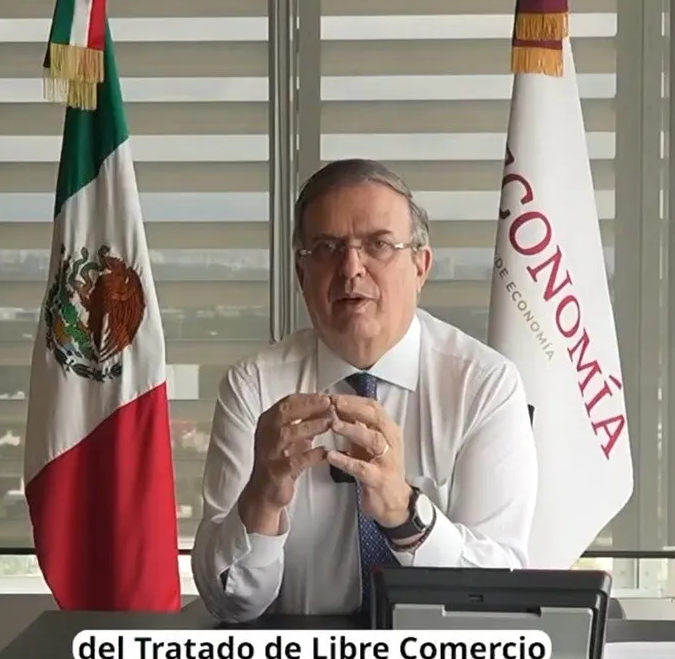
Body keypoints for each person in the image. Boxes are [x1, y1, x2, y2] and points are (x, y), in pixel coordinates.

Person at [190, 158, 538, 622]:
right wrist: (261, 502)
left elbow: (499, 590)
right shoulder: (254, 388)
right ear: (301, 274)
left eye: (379, 245)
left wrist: (407, 515)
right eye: (327, 247)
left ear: (421, 266)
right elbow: (230, 604)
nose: (351, 268)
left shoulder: (484, 385)